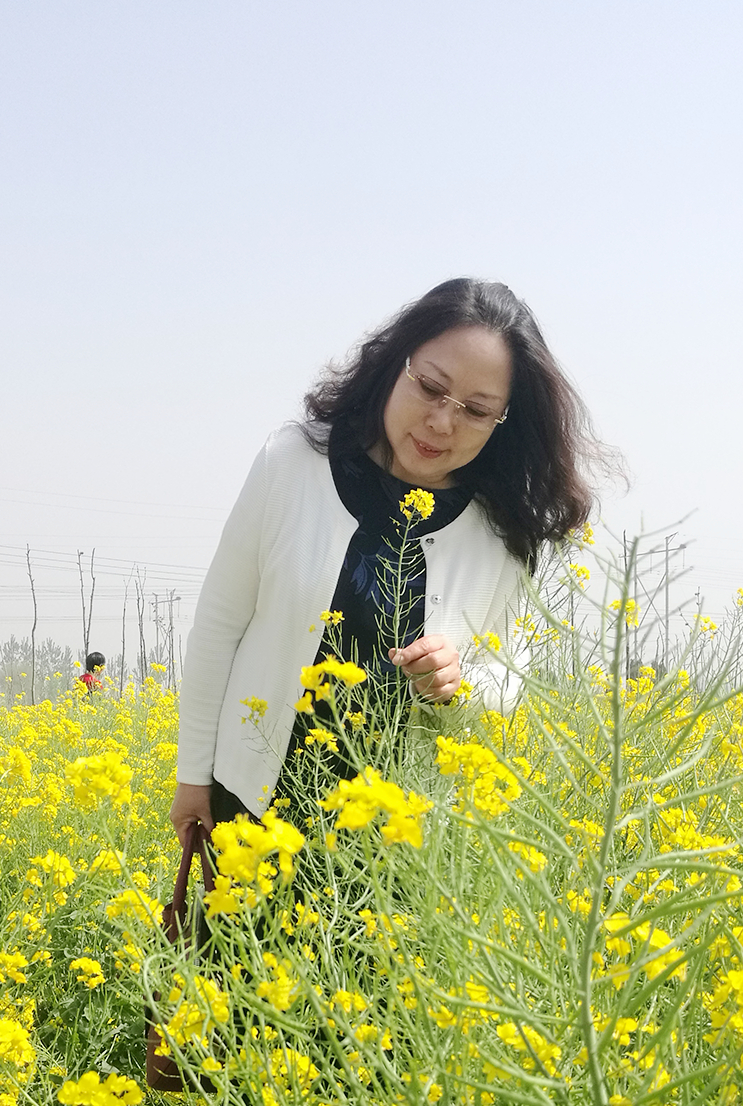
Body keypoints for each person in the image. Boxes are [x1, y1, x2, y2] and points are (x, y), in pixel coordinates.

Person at [171, 278, 601, 849]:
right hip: (253, 804)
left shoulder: (504, 531)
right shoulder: (292, 463)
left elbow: (509, 681)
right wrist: (192, 775)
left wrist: (461, 681)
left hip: (399, 846)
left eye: (476, 410)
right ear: (396, 363)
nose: (443, 423)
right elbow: (219, 627)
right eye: (430, 387)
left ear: (506, 422)